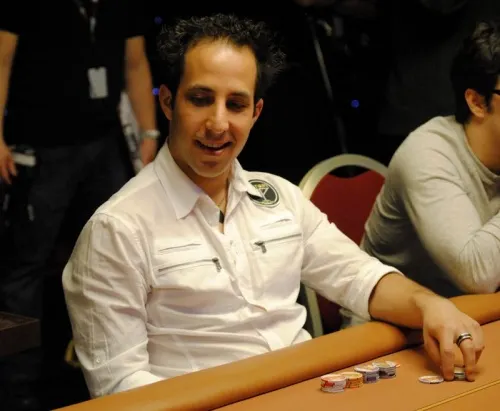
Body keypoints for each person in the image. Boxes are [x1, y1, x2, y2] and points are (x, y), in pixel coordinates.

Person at [62, 13, 484, 399]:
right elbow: (120, 389)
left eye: (236, 104)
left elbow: (359, 278)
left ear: (256, 112)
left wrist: (431, 306)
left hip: (309, 395)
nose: (218, 123)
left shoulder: (281, 197)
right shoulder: (116, 229)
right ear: (169, 102)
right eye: (200, 99)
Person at [0, 0, 159, 409]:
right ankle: (17, 387)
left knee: (121, 254)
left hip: (104, 141)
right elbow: (2, 59)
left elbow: (135, 62)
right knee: (27, 266)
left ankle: (123, 368)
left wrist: (149, 131)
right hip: (40, 143)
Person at [360, 20, 500, 300]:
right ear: (476, 102)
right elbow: (477, 274)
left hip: (473, 312)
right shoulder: (427, 154)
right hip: (394, 320)